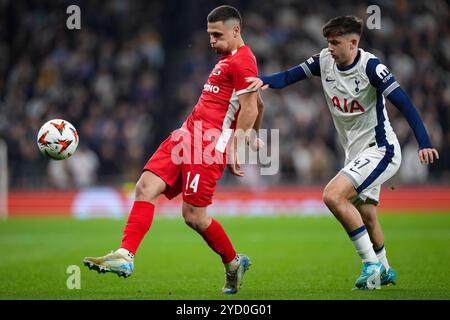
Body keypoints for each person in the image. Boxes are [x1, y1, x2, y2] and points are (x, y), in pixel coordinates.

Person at [246, 16, 439, 290]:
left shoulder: (372, 67)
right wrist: (263, 80)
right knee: (368, 215)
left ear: (353, 43)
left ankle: (369, 264)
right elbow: (290, 76)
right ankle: (383, 268)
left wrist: (424, 142)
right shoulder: (323, 60)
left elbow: (405, 104)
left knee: (333, 196)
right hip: (355, 153)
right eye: (328, 42)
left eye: (335, 42)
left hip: (380, 149)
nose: (330, 48)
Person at [83, 5, 265, 294]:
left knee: (194, 216)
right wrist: (253, 134)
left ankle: (233, 263)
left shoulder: (243, 61)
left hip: (207, 145)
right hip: (185, 134)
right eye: (209, 35)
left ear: (236, 30)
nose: (212, 41)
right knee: (144, 187)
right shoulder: (226, 59)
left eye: (217, 35)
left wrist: (235, 147)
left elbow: (251, 106)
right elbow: (257, 104)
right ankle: (125, 255)